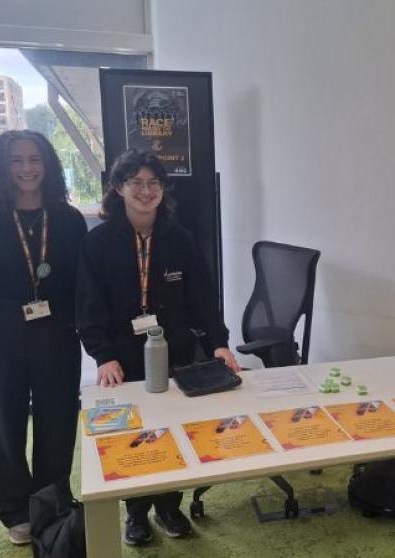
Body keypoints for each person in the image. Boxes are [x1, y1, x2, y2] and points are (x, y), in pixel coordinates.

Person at [77, 149, 241, 546]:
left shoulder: (180, 238)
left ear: (163, 190)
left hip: (176, 350)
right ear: (119, 188)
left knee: (174, 428)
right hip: (123, 355)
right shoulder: (98, 243)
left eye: (153, 183)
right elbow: (88, 304)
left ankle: (169, 505)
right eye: (136, 183)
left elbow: (203, 298)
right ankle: (135, 512)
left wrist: (219, 343)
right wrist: (103, 355)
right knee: (133, 432)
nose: (146, 191)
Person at [0, 130, 87, 545]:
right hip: (2, 338)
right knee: (2, 425)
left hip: (57, 336)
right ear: (3, 167)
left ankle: (50, 502)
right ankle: (16, 510)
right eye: (17, 161)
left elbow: (83, 282)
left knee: (58, 421)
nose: (27, 168)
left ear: (48, 165)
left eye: (35, 159)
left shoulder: (67, 219)